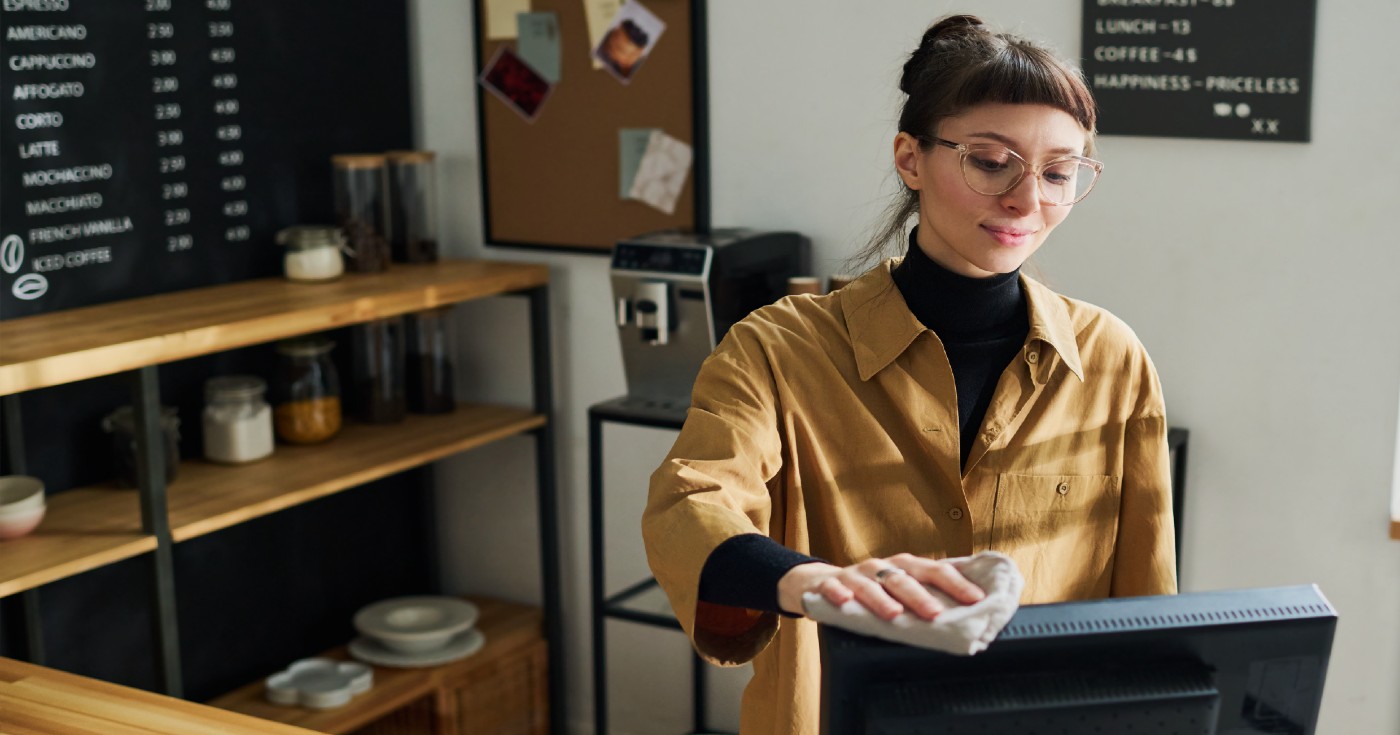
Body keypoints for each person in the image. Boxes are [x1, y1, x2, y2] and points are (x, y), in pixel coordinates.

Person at [641, 14, 1178, 734]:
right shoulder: (778, 349)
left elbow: (1145, 606)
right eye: (991, 162)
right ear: (910, 158)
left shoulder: (1112, 360)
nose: (1027, 200)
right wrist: (816, 581)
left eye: (1058, 172)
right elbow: (689, 503)